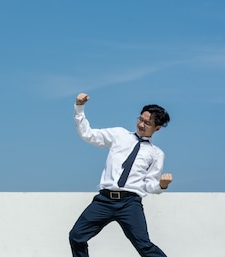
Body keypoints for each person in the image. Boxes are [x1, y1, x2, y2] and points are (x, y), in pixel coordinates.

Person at [69, 93, 173, 257]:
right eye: (140, 119)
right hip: (104, 200)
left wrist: (162, 185)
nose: (141, 124)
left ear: (157, 128)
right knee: (76, 236)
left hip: (129, 203)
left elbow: (148, 185)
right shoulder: (119, 135)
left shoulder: (156, 154)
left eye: (147, 123)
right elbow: (88, 134)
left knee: (144, 245)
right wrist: (79, 108)